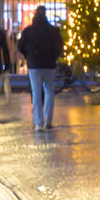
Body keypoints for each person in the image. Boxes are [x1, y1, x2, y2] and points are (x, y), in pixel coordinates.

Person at [17, 8, 64, 137]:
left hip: (34, 65)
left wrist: (28, 55)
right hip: (49, 65)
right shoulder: (53, 31)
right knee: (49, 92)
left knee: (36, 93)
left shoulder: (28, 31)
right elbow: (60, 47)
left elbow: (20, 46)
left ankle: (38, 123)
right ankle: (48, 120)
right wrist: (53, 57)